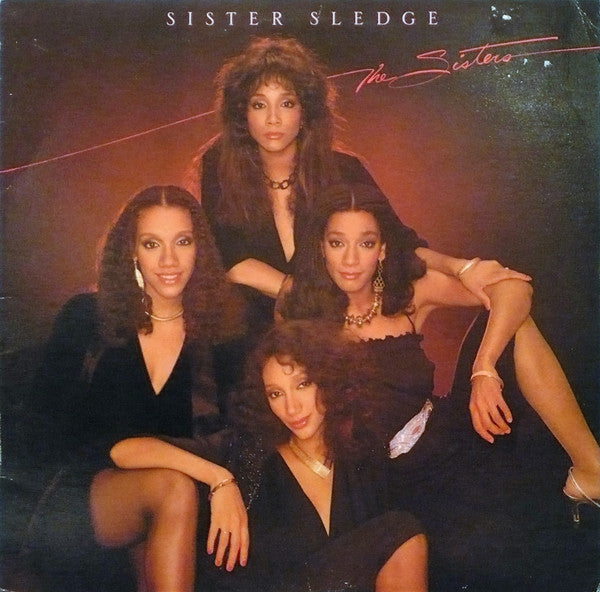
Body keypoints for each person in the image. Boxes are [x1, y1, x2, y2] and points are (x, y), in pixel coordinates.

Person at [281, 182, 600, 590]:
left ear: (383, 250)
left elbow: (515, 289)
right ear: (321, 247)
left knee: (515, 324)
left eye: (366, 243)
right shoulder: (301, 311)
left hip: (447, 432)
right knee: (488, 548)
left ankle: (591, 470)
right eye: (337, 243)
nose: (350, 259)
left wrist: (483, 368)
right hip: (391, 477)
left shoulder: (407, 295)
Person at [188, 36, 529, 335]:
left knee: (511, 309)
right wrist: (302, 295)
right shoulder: (219, 165)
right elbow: (228, 258)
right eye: (259, 104)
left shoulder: (343, 169)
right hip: (255, 330)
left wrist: (463, 268)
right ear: (242, 114)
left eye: (287, 103)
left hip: (336, 323)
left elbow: (398, 240)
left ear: (305, 112)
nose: (273, 118)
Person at [30, 186, 248, 592]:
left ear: (199, 249)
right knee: (172, 489)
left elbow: (232, 435)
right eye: (152, 244)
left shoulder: (223, 332)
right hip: (79, 496)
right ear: (131, 251)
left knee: (173, 496)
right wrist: (219, 478)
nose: (169, 261)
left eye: (182, 242)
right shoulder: (86, 317)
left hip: (175, 506)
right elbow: (48, 427)